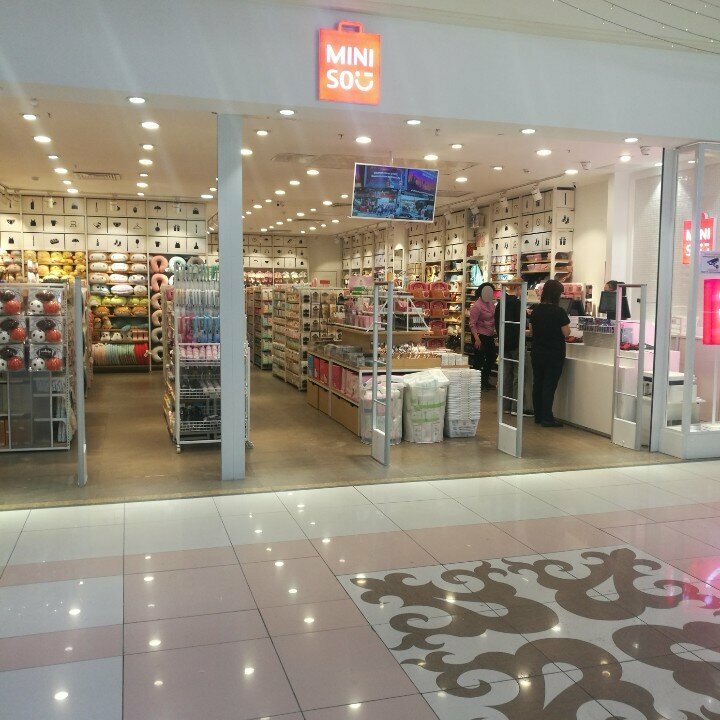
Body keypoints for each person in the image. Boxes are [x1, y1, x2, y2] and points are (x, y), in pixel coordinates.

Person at [528, 279, 570, 427]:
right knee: (549, 385)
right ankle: (547, 417)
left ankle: (538, 416)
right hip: (554, 354)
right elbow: (566, 332)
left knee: (538, 383)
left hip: (537, 352)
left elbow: (531, 330)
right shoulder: (559, 312)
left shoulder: (536, 310)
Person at [494, 280, 534, 416]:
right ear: (518, 288)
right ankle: (517, 408)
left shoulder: (501, 303)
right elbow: (520, 325)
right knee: (519, 374)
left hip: (504, 343)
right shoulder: (517, 303)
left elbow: (497, 323)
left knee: (507, 374)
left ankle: (506, 406)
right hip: (516, 344)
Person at [469, 282, 496, 389]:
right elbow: (472, 324)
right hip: (479, 336)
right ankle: (476, 383)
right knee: (479, 359)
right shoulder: (477, 306)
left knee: (491, 357)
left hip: (489, 335)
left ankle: (484, 380)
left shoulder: (491, 303)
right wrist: (477, 339)